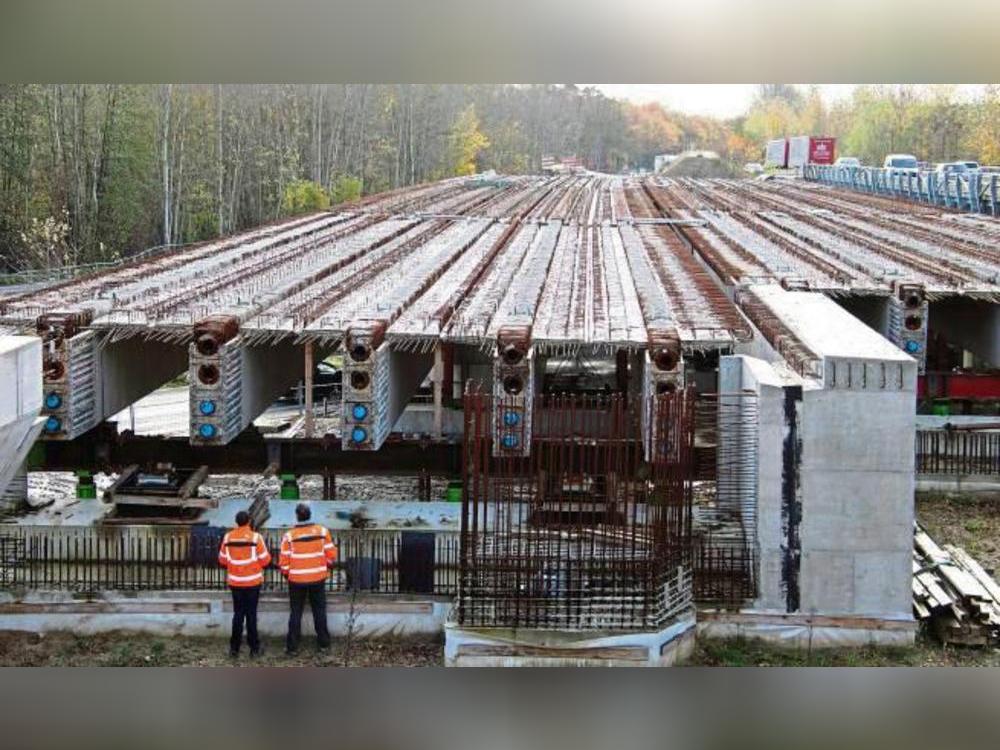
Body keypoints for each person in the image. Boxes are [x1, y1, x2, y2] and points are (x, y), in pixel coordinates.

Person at [279, 503, 338, 655]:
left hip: (296, 580)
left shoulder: (289, 536)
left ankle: (292, 647)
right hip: (317, 579)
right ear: (310, 514)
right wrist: (324, 567)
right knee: (319, 611)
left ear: (297, 515)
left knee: (296, 613)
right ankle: (324, 644)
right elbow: (332, 555)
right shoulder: (323, 531)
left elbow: (283, 561)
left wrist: (288, 574)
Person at [217, 510, 271, 658]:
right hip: (253, 582)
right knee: (251, 614)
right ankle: (254, 648)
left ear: (237, 522)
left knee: (238, 614)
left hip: (235, 583)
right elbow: (266, 560)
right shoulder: (256, 538)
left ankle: (234, 649)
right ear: (248, 522)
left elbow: (222, 560)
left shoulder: (228, 537)